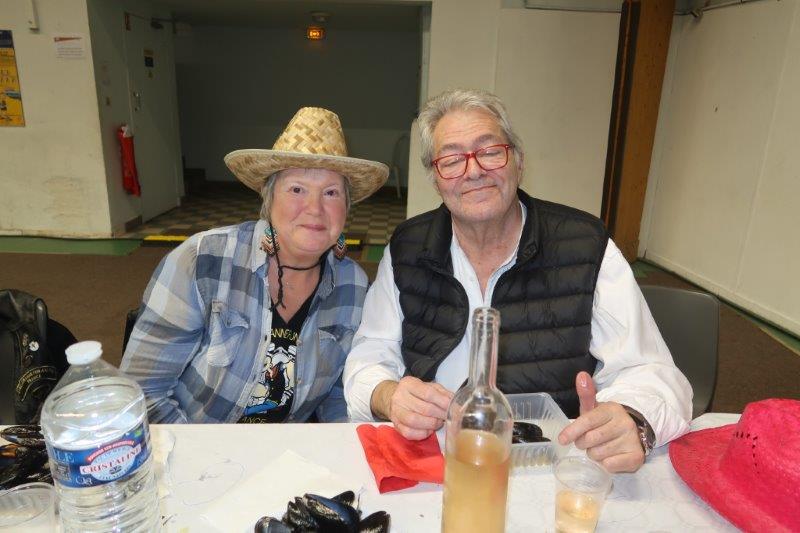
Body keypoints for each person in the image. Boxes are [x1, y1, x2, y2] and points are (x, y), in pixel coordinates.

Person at [343, 89, 692, 473]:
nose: (474, 171)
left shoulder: (584, 244)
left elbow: (651, 372)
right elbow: (368, 357)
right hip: (433, 459)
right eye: (452, 159)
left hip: (548, 462)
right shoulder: (407, 247)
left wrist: (632, 417)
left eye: (490, 151)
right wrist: (388, 394)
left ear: (518, 161)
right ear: (435, 179)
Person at [121, 107, 388, 424]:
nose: (315, 209)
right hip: (192, 441)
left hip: (287, 448)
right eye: (297, 189)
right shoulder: (202, 261)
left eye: (331, 193)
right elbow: (143, 395)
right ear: (269, 198)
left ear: (346, 208)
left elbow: (338, 396)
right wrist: (206, 455)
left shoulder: (353, 285)